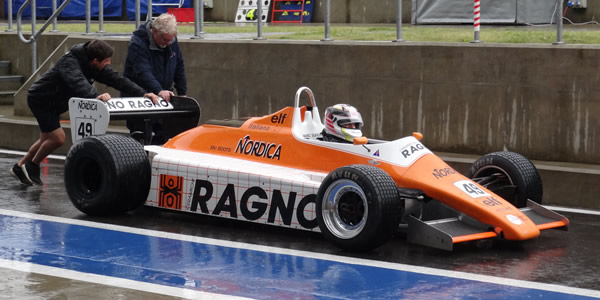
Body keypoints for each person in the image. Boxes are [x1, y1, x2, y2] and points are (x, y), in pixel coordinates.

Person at [9, 40, 159, 186]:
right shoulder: (69, 63)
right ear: (95, 60)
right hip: (41, 100)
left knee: (45, 139)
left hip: (55, 102)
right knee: (58, 138)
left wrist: (143, 93)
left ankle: (19, 166)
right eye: (106, 61)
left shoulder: (93, 65)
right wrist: (95, 96)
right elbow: (77, 81)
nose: (109, 64)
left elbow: (117, 80)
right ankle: (33, 165)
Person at [122, 13, 187, 145]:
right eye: (164, 39)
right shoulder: (138, 43)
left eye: (171, 40)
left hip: (163, 99)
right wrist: (158, 90)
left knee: (164, 136)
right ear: (154, 31)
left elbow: (179, 66)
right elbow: (143, 71)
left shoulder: (171, 42)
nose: (168, 43)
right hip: (140, 99)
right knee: (141, 137)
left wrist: (182, 92)